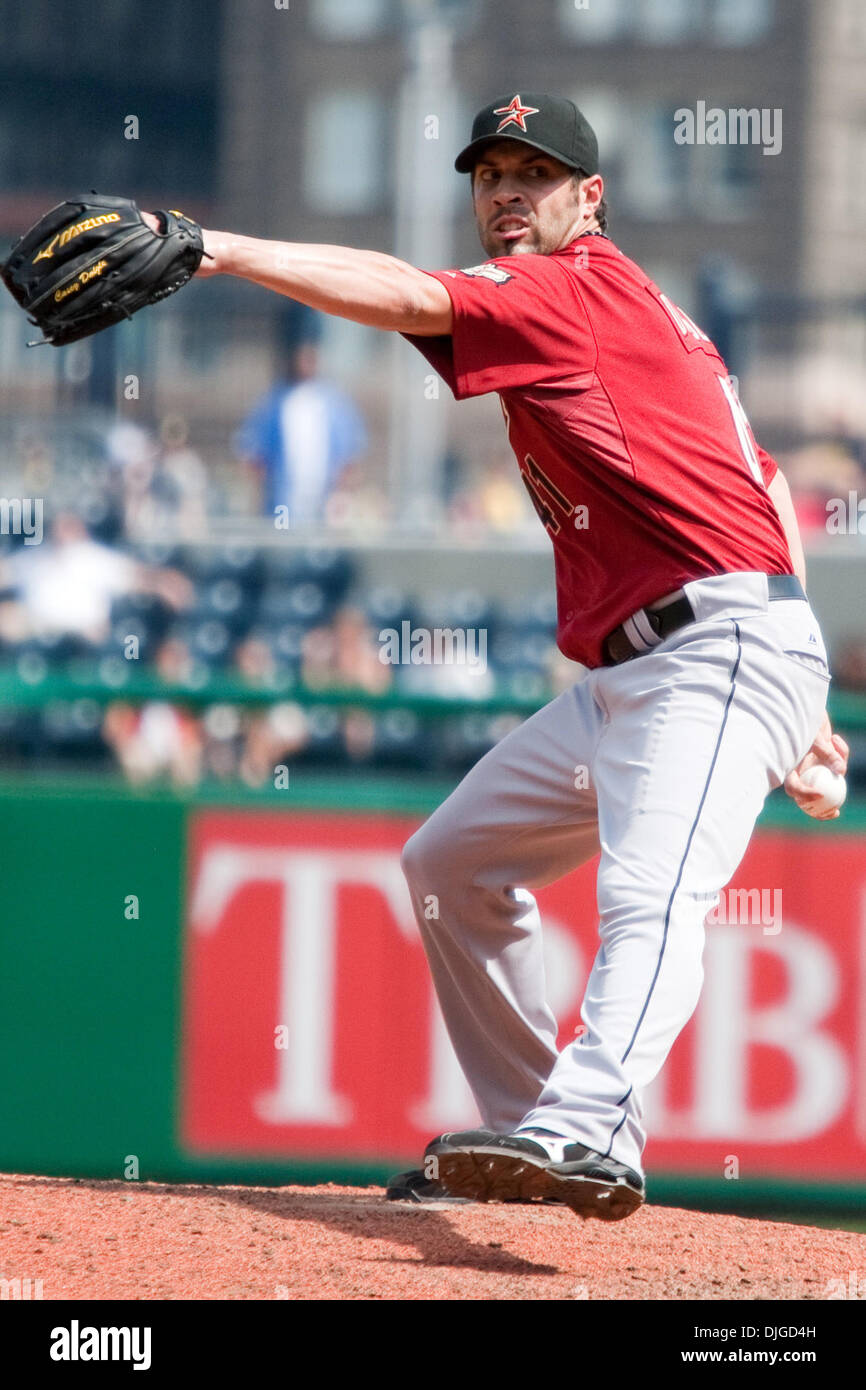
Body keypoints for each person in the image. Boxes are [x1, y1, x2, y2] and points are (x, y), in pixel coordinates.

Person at [162, 91, 849, 1221]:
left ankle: (583, 1130)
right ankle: (541, 1128)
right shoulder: (625, 313)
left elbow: (405, 294)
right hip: (653, 670)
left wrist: (217, 249)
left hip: (711, 648)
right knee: (450, 867)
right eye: (488, 177)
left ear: (591, 198)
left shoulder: (572, 289)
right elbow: (762, 478)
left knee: (652, 898)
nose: (505, 194)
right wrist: (808, 694)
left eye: (533, 174)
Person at [234, 303, 368, 526]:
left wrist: (342, 495)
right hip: (280, 506)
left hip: (324, 511)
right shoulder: (274, 402)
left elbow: (350, 458)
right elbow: (253, 458)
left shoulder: (335, 402)